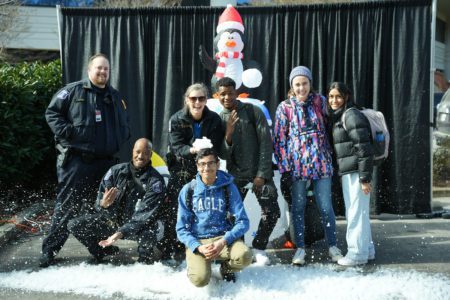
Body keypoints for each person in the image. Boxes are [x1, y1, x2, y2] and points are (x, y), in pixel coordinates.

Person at [40, 53, 130, 267]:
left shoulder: (115, 96)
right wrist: (69, 133)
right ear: (89, 70)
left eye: (106, 69)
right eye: (98, 68)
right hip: (78, 163)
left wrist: (120, 138)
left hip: (106, 163)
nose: (102, 72)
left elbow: (125, 123)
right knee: (67, 207)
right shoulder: (72, 91)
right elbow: (52, 114)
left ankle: (99, 247)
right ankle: (49, 251)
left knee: (102, 209)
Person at [273, 66, 342, 265]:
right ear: (292, 86)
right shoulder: (284, 107)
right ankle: (300, 248)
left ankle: (333, 245)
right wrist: (285, 168)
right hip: (297, 167)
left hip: (321, 164)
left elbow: (334, 123)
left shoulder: (321, 101)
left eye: (304, 83)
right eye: (297, 84)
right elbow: (279, 141)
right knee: (298, 207)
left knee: (325, 206)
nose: (301, 88)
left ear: (310, 84)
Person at [67, 138, 165, 264]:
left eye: (145, 153)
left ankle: (144, 261)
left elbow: (143, 216)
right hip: (112, 222)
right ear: (132, 151)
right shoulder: (115, 171)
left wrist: (120, 233)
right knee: (74, 224)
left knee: (149, 231)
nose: (140, 156)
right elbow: (98, 204)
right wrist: (103, 204)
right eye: (138, 152)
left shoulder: (156, 181)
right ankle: (102, 251)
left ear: (150, 155)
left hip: (138, 227)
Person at [217, 77, 280, 265]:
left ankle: (260, 247)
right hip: (236, 175)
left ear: (236, 92)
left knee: (272, 212)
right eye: (223, 94)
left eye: (230, 93)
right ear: (217, 96)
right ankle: (241, 250)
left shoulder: (254, 111)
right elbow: (222, 154)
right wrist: (228, 134)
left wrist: (261, 174)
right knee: (232, 217)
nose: (227, 97)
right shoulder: (219, 119)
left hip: (260, 173)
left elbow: (266, 144)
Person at [159, 83, 224, 260]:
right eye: (193, 98)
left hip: (205, 171)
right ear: (187, 100)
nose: (197, 102)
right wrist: (193, 150)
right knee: (174, 210)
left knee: (203, 210)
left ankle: (200, 247)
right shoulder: (177, 119)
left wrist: (207, 152)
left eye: (201, 98)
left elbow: (217, 146)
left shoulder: (215, 119)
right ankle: (170, 246)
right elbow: (177, 146)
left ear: (206, 100)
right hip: (181, 170)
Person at [176, 148, 252, 287]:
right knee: (200, 280)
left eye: (210, 163)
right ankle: (198, 268)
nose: (206, 167)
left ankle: (226, 268)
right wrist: (198, 247)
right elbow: (181, 228)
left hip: (223, 239)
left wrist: (223, 241)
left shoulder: (228, 187)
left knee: (245, 256)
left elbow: (243, 222)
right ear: (197, 166)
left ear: (218, 164)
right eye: (202, 164)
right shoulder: (188, 190)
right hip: (199, 241)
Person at [327, 82, 376, 266]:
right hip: (351, 172)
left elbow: (364, 148)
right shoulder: (343, 115)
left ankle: (356, 254)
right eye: (331, 96)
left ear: (346, 96)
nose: (334, 100)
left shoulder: (351, 115)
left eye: (338, 96)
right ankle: (367, 250)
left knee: (355, 213)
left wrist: (364, 178)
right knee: (359, 213)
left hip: (356, 173)